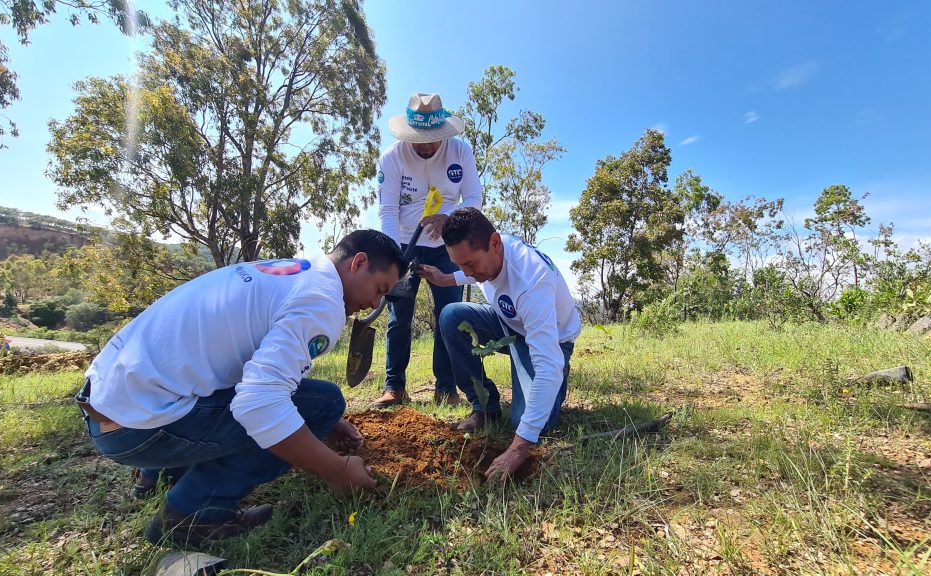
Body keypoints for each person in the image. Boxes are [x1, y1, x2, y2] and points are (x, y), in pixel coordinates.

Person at [76, 230, 406, 547]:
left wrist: (328, 425)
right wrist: (337, 471)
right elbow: (258, 404)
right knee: (323, 404)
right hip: (136, 428)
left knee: (321, 404)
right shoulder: (322, 301)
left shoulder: (291, 272)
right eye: (379, 289)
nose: (374, 303)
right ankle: (194, 513)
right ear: (358, 262)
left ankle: (157, 474)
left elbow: (241, 365)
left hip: (110, 406)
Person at [419, 208, 581, 480]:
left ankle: (557, 386)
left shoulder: (532, 283)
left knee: (527, 423)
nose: (467, 272)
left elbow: (547, 366)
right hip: (509, 323)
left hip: (549, 340)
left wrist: (517, 449)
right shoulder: (486, 253)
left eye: (470, 265)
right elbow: (469, 270)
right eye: (459, 265)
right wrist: (446, 277)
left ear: (495, 244)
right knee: (451, 316)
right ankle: (484, 407)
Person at [371, 92, 483, 408]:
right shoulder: (392, 158)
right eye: (419, 139)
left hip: (446, 248)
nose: (426, 146)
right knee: (398, 318)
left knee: (448, 316)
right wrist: (394, 257)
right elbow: (387, 211)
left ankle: (446, 388)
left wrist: (451, 218)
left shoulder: (460, 152)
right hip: (405, 243)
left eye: (433, 139)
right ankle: (395, 387)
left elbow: (474, 197)